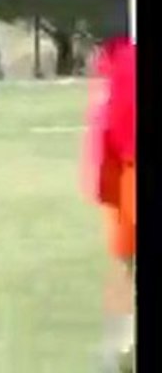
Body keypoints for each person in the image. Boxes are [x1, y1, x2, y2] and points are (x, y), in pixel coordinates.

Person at [82, 34, 136, 371]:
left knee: (124, 264)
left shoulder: (118, 67)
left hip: (127, 173)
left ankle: (121, 345)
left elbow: (106, 132)